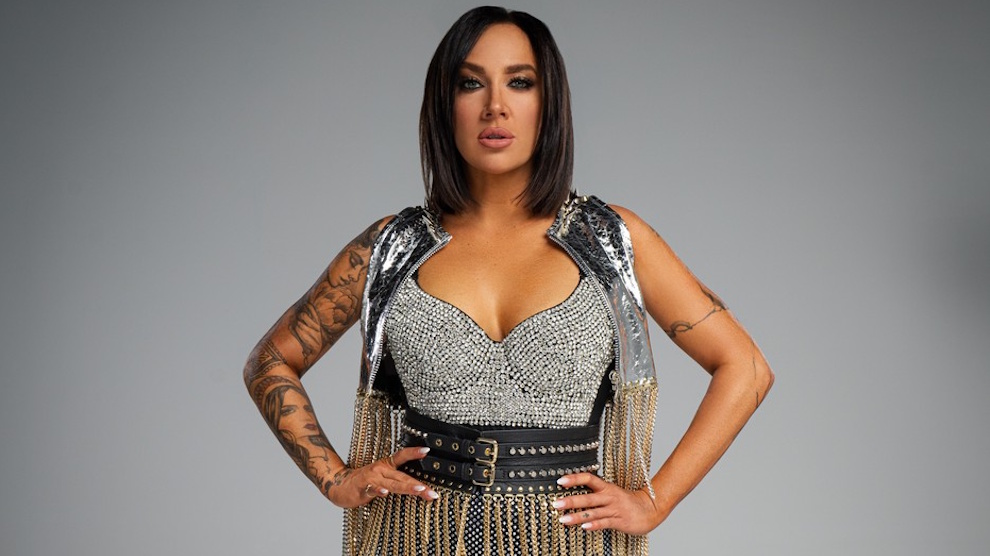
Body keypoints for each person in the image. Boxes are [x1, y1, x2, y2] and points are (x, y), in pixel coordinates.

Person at [243, 6, 773, 556]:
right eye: (471, 83)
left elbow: (747, 368)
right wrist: (335, 479)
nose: (495, 105)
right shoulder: (392, 246)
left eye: (520, 82)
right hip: (417, 539)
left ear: (549, 103)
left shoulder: (611, 240)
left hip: (567, 542)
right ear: (444, 104)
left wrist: (654, 502)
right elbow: (269, 361)